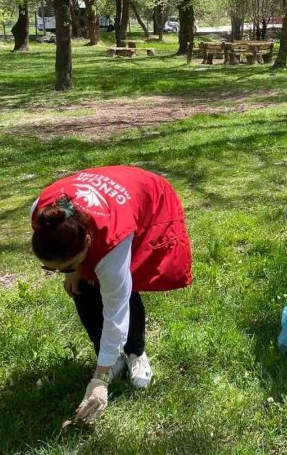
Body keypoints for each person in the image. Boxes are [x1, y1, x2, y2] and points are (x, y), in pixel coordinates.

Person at [30, 165, 192, 422]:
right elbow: (70, 260)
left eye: (67, 265)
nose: (60, 272)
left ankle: (136, 352)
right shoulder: (45, 216)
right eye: (52, 269)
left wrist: (99, 380)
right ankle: (109, 357)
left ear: (87, 242)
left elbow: (116, 312)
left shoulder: (112, 242)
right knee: (82, 285)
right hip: (99, 203)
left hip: (145, 197)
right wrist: (72, 270)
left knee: (127, 284)